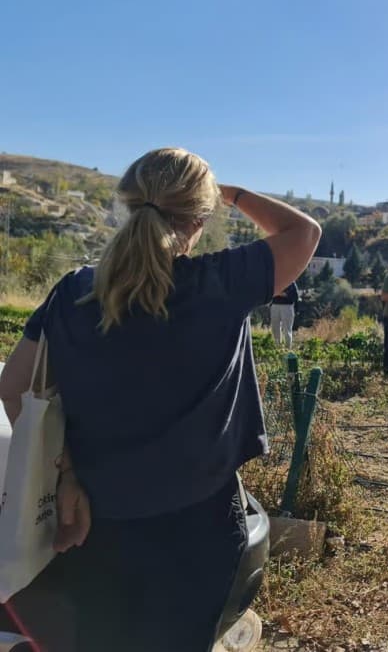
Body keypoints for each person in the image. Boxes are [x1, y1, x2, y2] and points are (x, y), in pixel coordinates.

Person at [0, 147, 321, 652]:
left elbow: (14, 388)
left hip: (93, 524)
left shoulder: (74, 293)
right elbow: (304, 232)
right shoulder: (220, 283)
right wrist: (230, 194)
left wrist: (67, 476)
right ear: (201, 215)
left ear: (129, 203)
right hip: (199, 528)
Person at [270, 281, 299, 348]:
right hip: (275, 305)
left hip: (287, 306)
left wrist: (281, 294)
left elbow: (295, 296)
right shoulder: (276, 280)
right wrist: (280, 294)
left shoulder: (291, 282)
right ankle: (277, 346)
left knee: (287, 329)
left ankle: (288, 348)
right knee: (275, 328)